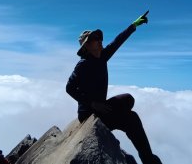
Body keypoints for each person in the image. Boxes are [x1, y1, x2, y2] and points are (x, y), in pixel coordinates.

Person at [66, 11, 162, 164]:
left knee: (130, 108)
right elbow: (69, 88)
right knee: (129, 109)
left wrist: (134, 25)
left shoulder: (102, 57)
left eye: (99, 37)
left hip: (102, 109)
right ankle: (148, 159)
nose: (99, 40)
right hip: (90, 114)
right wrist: (92, 103)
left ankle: (148, 159)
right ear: (87, 46)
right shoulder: (83, 65)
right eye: (94, 39)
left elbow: (118, 41)